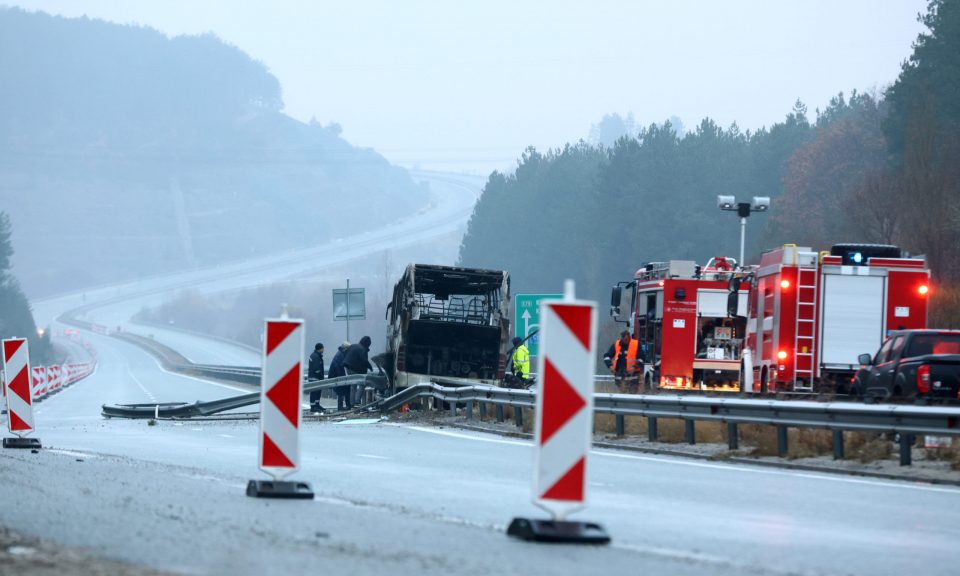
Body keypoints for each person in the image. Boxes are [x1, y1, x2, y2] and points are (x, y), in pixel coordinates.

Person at [344, 335, 373, 406]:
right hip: (356, 369)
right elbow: (364, 361)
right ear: (367, 344)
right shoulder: (363, 349)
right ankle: (357, 401)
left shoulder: (353, 346)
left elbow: (346, 354)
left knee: (353, 386)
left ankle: (352, 403)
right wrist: (370, 367)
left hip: (348, 368)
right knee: (362, 384)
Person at [329, 341, 351, 411]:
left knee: (345, 390)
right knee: (341, 391)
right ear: (345, 349)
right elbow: (338, 368)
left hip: (338, 375)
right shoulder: (340, 356)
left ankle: (347, 406)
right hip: (337, 376)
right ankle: (341, 407)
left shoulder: (341, 354)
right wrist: (342, 378)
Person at [308, 342, 325, 414]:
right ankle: (313, 407)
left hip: (315, 377)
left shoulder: (316, 355)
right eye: (323, 348)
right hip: (315, 377)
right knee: (314, 392)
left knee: (317, 392)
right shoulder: (316, 356)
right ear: (320, 349)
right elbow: (316, 369)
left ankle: (317, 405)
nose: (324, 349)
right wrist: (320, 376)